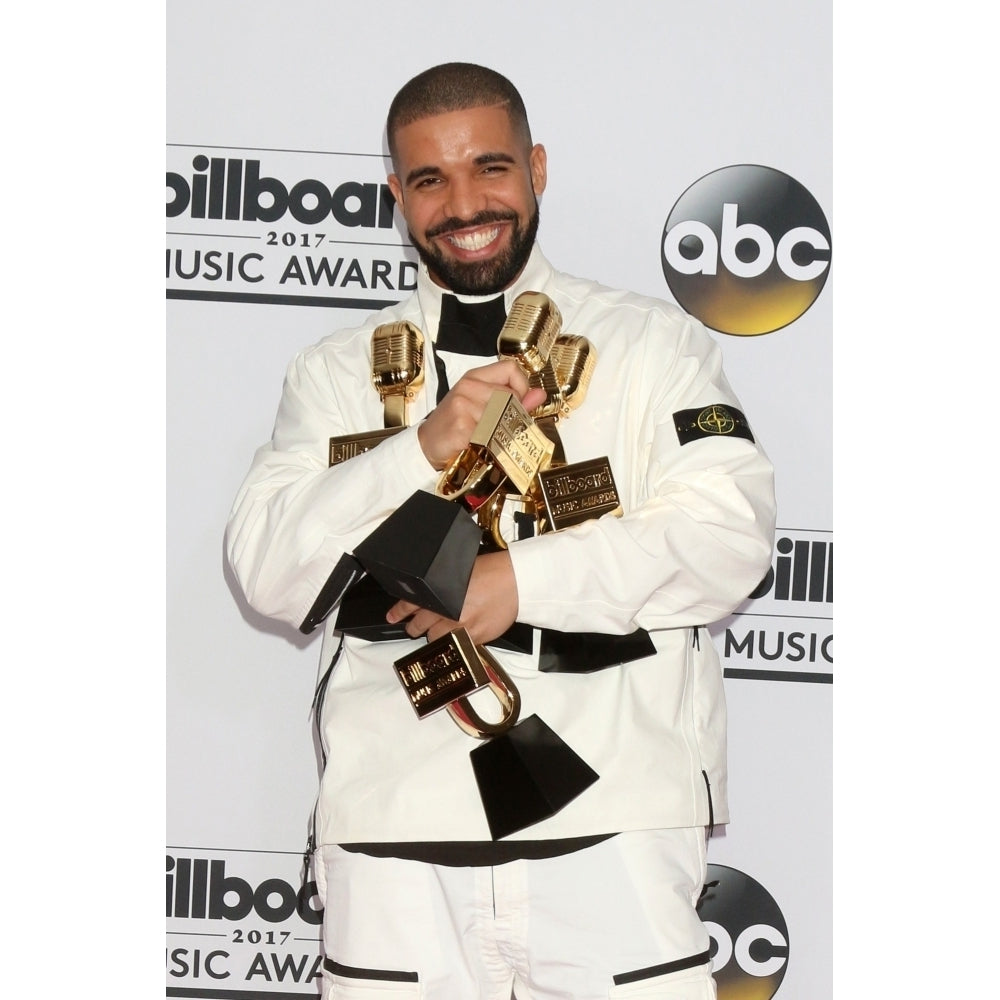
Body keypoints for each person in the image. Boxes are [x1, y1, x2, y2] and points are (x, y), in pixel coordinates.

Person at [225, 62, 776, 1000]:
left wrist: (509, 586)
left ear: (538, 168)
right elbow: (269, 576)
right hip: (394, 842)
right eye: (429, 179)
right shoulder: (333, 374)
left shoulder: (653, 346)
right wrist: (418, 448)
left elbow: (730, 537)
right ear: (396, 194)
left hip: (614, 831)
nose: (464, 203)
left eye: (491, 168)